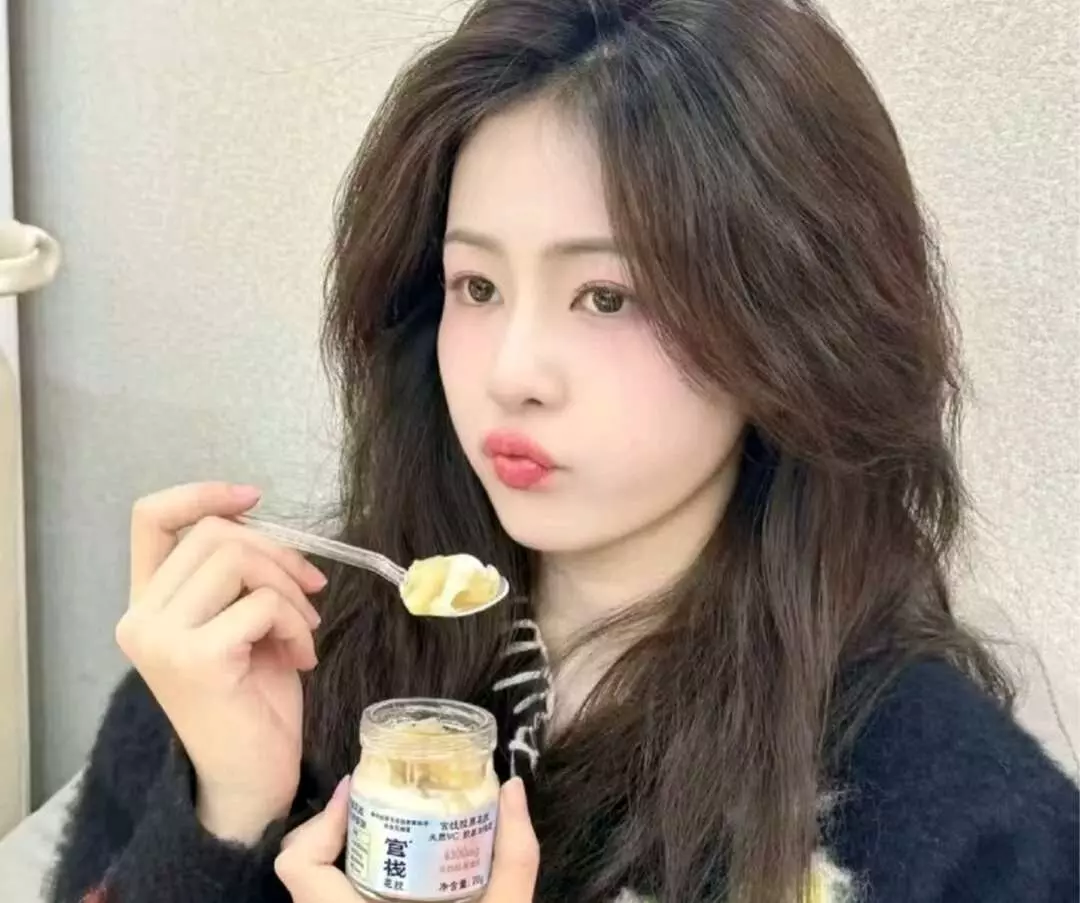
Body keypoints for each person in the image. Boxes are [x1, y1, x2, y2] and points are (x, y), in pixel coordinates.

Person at [47, 1, 1079, 901]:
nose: (513, 371)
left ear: (790, 325)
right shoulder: (264, 671)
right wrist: (225, 811)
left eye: (609, 296)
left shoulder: (958, 826)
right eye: (477, 286)